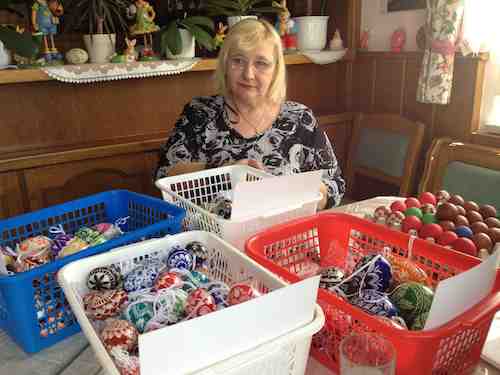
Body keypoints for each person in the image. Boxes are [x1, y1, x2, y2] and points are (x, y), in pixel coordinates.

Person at [155, 19, 345, 209]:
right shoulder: (200, 112)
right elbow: (165, 174)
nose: (248, 74)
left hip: (284, 233)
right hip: (211, 233)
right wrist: (226, 171)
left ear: (276, 69)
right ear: (225, 65)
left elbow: (335, 185)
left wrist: (301, 193)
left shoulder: (300, 118)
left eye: (261, 63)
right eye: (238, 61)